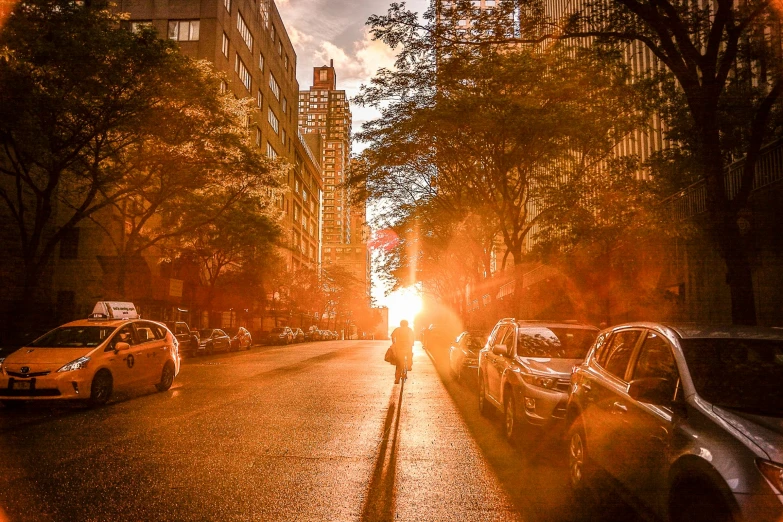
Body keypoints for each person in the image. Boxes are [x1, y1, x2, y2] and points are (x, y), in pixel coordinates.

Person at [391, 319, 414, 384]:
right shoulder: (409, 329)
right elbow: (412, 337)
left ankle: (397, 379)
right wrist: (412, 344)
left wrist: (394, 343)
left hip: (399, 347)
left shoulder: (397, 329)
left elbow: (392, 336)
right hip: (407, 347)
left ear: (400, 324)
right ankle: (409, 366)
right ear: (407, 324)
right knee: (410, 355)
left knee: (398, 363)